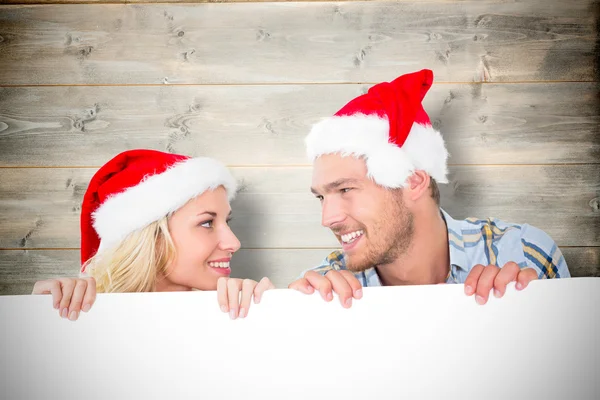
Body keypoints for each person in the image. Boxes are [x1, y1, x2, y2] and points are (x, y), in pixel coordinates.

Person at [288, 69, 570, 307]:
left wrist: (532, 317)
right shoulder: (325, 292)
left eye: (346, 190)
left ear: (413, 181)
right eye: (322, 197)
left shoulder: (522, 254)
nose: (328, 218)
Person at [32, 149, 274, 320]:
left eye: (227, 221)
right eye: (208, 223)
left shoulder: (235, 311)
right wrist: (39, 319)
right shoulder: (82, 316)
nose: (234, 242)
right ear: (151, 237)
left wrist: (272, 316)